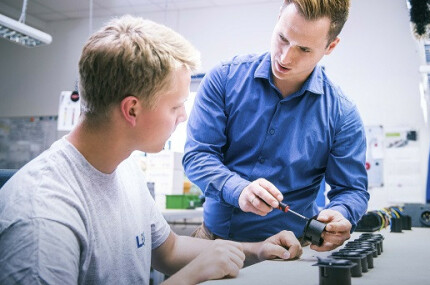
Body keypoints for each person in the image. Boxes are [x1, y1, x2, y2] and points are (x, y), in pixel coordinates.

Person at [0, 15, 302, 285]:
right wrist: (189, 278)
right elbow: (179, 268)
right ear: (132, 109)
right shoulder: (44, 219)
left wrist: (257, 250)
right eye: (175, 106)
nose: (183, 115)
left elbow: (169, 250)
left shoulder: (123, 166)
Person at [183, 0, 369, 252]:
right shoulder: (223, 78)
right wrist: (238, 189)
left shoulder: (342, 114)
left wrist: (341, 214)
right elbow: (197, 156)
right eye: (282, 38)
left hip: (289, 251)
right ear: (277, 19)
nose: (285, 57)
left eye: (304, 49)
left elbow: (352, 190)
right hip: (212, 242)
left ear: (331, 47)